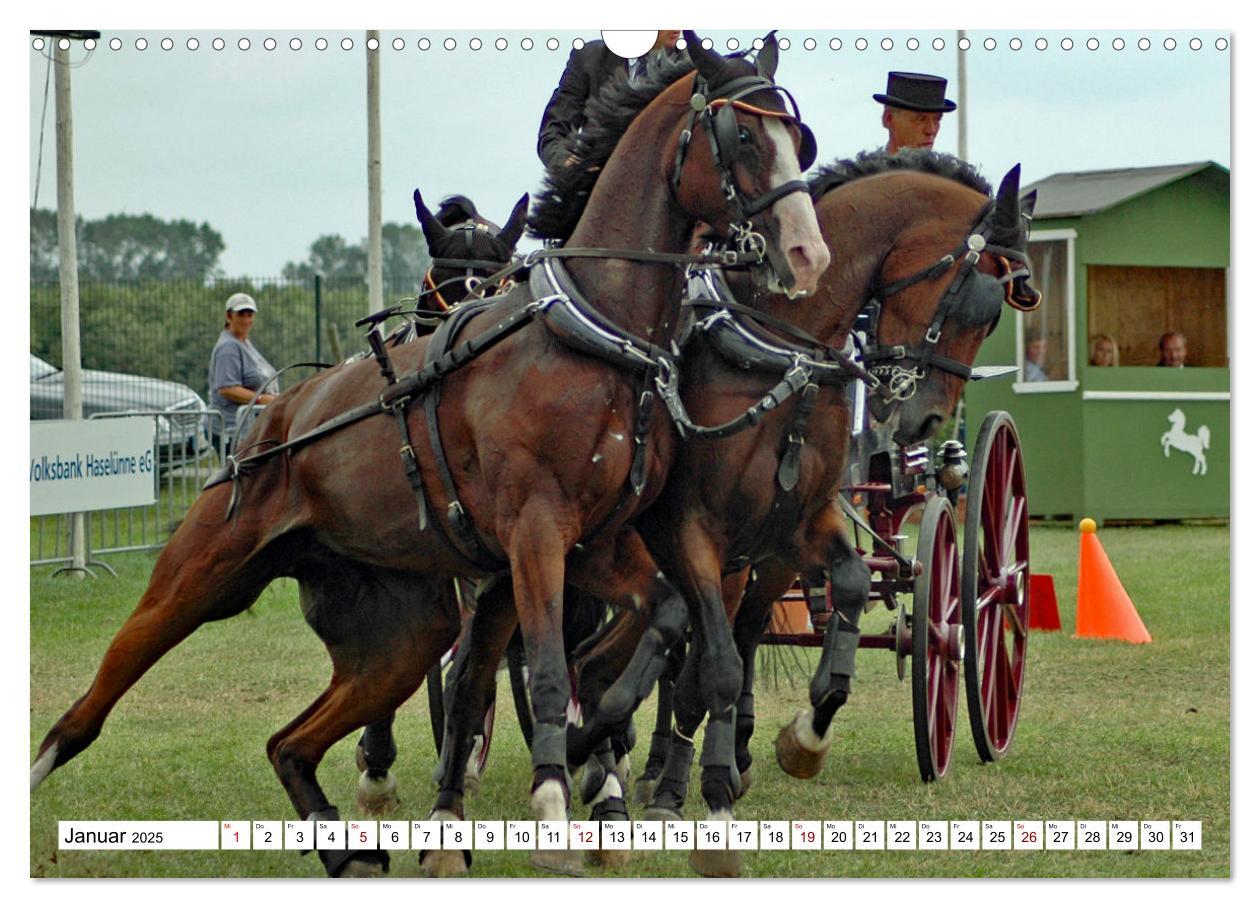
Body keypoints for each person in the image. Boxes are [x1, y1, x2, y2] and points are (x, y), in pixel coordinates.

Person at [537, 30, 682, 171]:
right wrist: (567, 163)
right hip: (600, 179)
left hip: (665, 182)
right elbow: (553, 132)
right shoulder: (589, 58)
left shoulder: (693, 66)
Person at [207, 292, 277, 454]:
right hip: (231, 429)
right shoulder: (228, 347)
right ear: (229, 315)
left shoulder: (244, 343)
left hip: (248, 427)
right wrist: (261, 399)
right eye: (241, 314)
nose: (246, 320)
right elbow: (226, 387)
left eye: (249, 314)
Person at [874, 71, 957, 154]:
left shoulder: (949, 167)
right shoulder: (866, 166)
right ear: (889, 119)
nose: (931, 130)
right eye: (920, 119)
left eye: (937, 119)